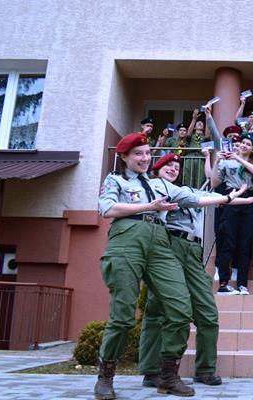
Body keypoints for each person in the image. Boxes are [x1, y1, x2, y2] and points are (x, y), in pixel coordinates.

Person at [138, 153, 253, 389]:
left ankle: (205, 369)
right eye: (168, 166)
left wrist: (245, 201)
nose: (173, 169)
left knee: (207, 312)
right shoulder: (155, 186)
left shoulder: (186, 190)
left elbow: (214, 198)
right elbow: (203, 199)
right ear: (157, 169)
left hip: (193, 250)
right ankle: (152, 371)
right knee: (157, 309)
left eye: (176, 167)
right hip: (168, 246)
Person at [96, 133, 199, 398]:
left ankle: (167, 375)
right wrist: (148, 206)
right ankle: (105, 376)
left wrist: (231, 198)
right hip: (127, 239)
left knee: (180, 308)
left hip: (159, 241)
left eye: (147, 153)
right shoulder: (115, 179)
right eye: (138, 154)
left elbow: (195, 197)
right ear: (124, 157)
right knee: (123, 315)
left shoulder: (156, 184)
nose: (145, 158)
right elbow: (107, 209)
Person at [211, 133, 253, 295]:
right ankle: (223, 283)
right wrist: (217, 161)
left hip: (249, 200)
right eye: (243, 142)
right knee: (227, 241)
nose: (244, 145)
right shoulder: (227, 162)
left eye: (248, 144)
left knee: (245, 243)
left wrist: (238, 158)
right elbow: (214, 183)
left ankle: (242, 284)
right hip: (232, 198)